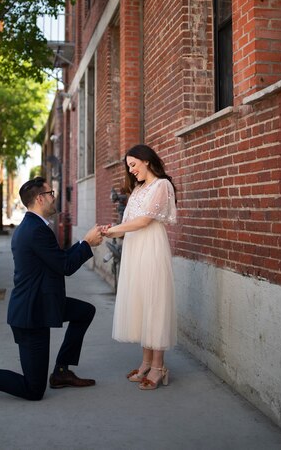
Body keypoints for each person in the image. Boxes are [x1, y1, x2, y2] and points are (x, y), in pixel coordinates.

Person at [0, 177, 103, 402]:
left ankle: (61, 371)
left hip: (44, 303)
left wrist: (83, 243)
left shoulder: (34, 227)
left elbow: (58, 260)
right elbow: (65, 266)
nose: (54, 197)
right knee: (33, 390)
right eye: (51, 193)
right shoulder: (35, 231)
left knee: (84, 311)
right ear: (40, 198)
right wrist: (87, 243)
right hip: (31, 316)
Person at [102, 144, 177, 390]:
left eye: (133, 164)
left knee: (155, 303)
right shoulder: (138, 188)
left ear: (146, 161)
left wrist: (110, 230)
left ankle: (158, 366)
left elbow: (144, 221)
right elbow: (130, 222)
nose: (131, 170)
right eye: (129, 166)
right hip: (135, 249)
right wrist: (113, 229)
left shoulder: (161, 185)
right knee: (142, 303)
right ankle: (145, 361)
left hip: (151, 248)